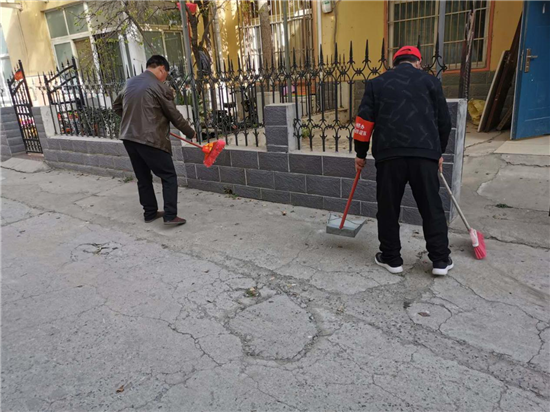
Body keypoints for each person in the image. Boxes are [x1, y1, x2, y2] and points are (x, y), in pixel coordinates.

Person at [353, 46, 453, 276]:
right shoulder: (431, 82)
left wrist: (360, 153)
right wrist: (438, 152)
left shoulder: (376, 83)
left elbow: (363, 122)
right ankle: (440, 260)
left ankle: (391, 259)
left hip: (389, 156)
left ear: (394, 63)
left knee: (388, 208)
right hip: (424, 155)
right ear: (418, 62)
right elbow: (444, 122)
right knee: (431, 207)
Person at [113, 55, 196, 226]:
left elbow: (116, 106)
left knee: (143, 177)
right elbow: (174, 115)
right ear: (161, 69)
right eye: (166, 74)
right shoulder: (159, 86)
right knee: (169, 176)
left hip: (129, 138)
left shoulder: (130, 83)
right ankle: (170, 215)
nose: (165, 78)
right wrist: (190, 132)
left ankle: (149, 213)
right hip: (150, 139)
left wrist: (133, 120)